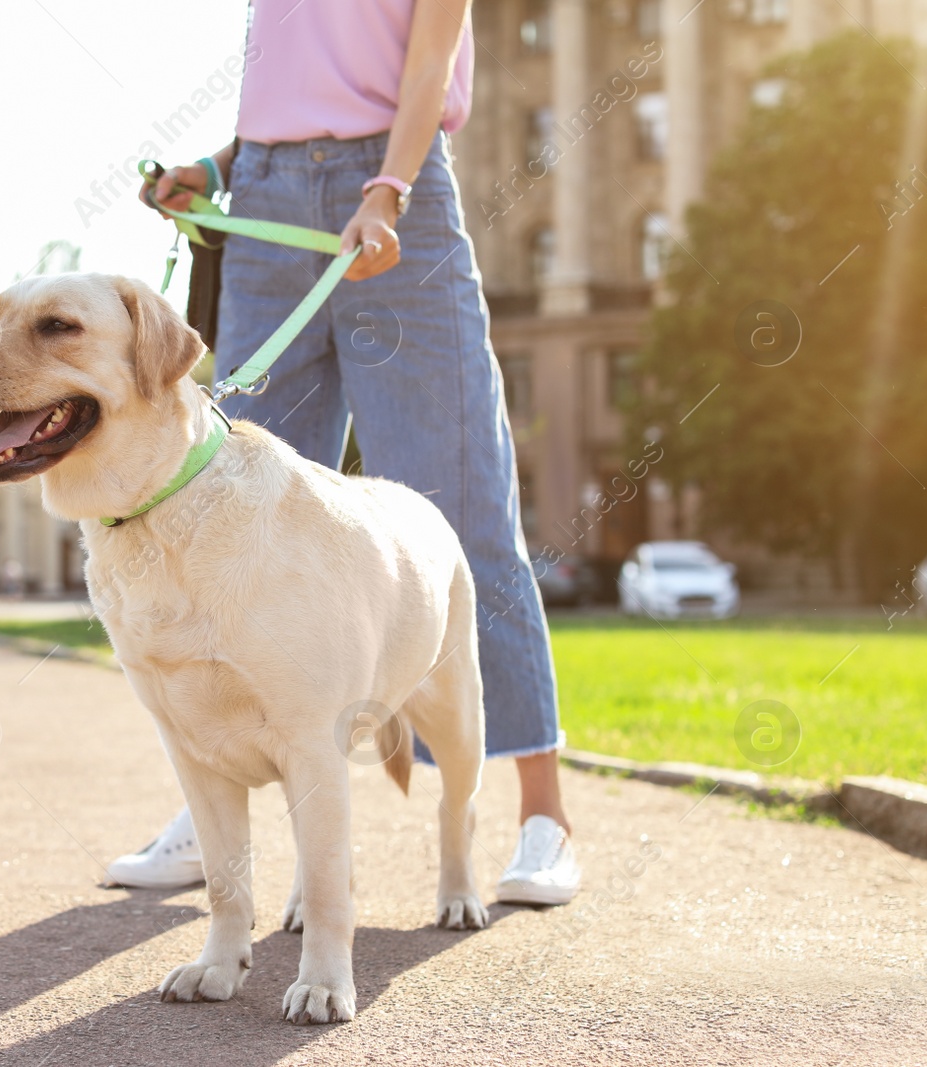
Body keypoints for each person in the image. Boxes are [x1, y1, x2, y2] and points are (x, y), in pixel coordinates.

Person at [108, 0, 579, 906]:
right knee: (227, 499)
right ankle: (210, 810)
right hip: (268, 205)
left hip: (395, 194)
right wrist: (214, 169)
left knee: (467, 511)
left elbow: (427, 66)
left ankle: (543, 816)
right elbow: (297, 90)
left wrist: (387, 190)